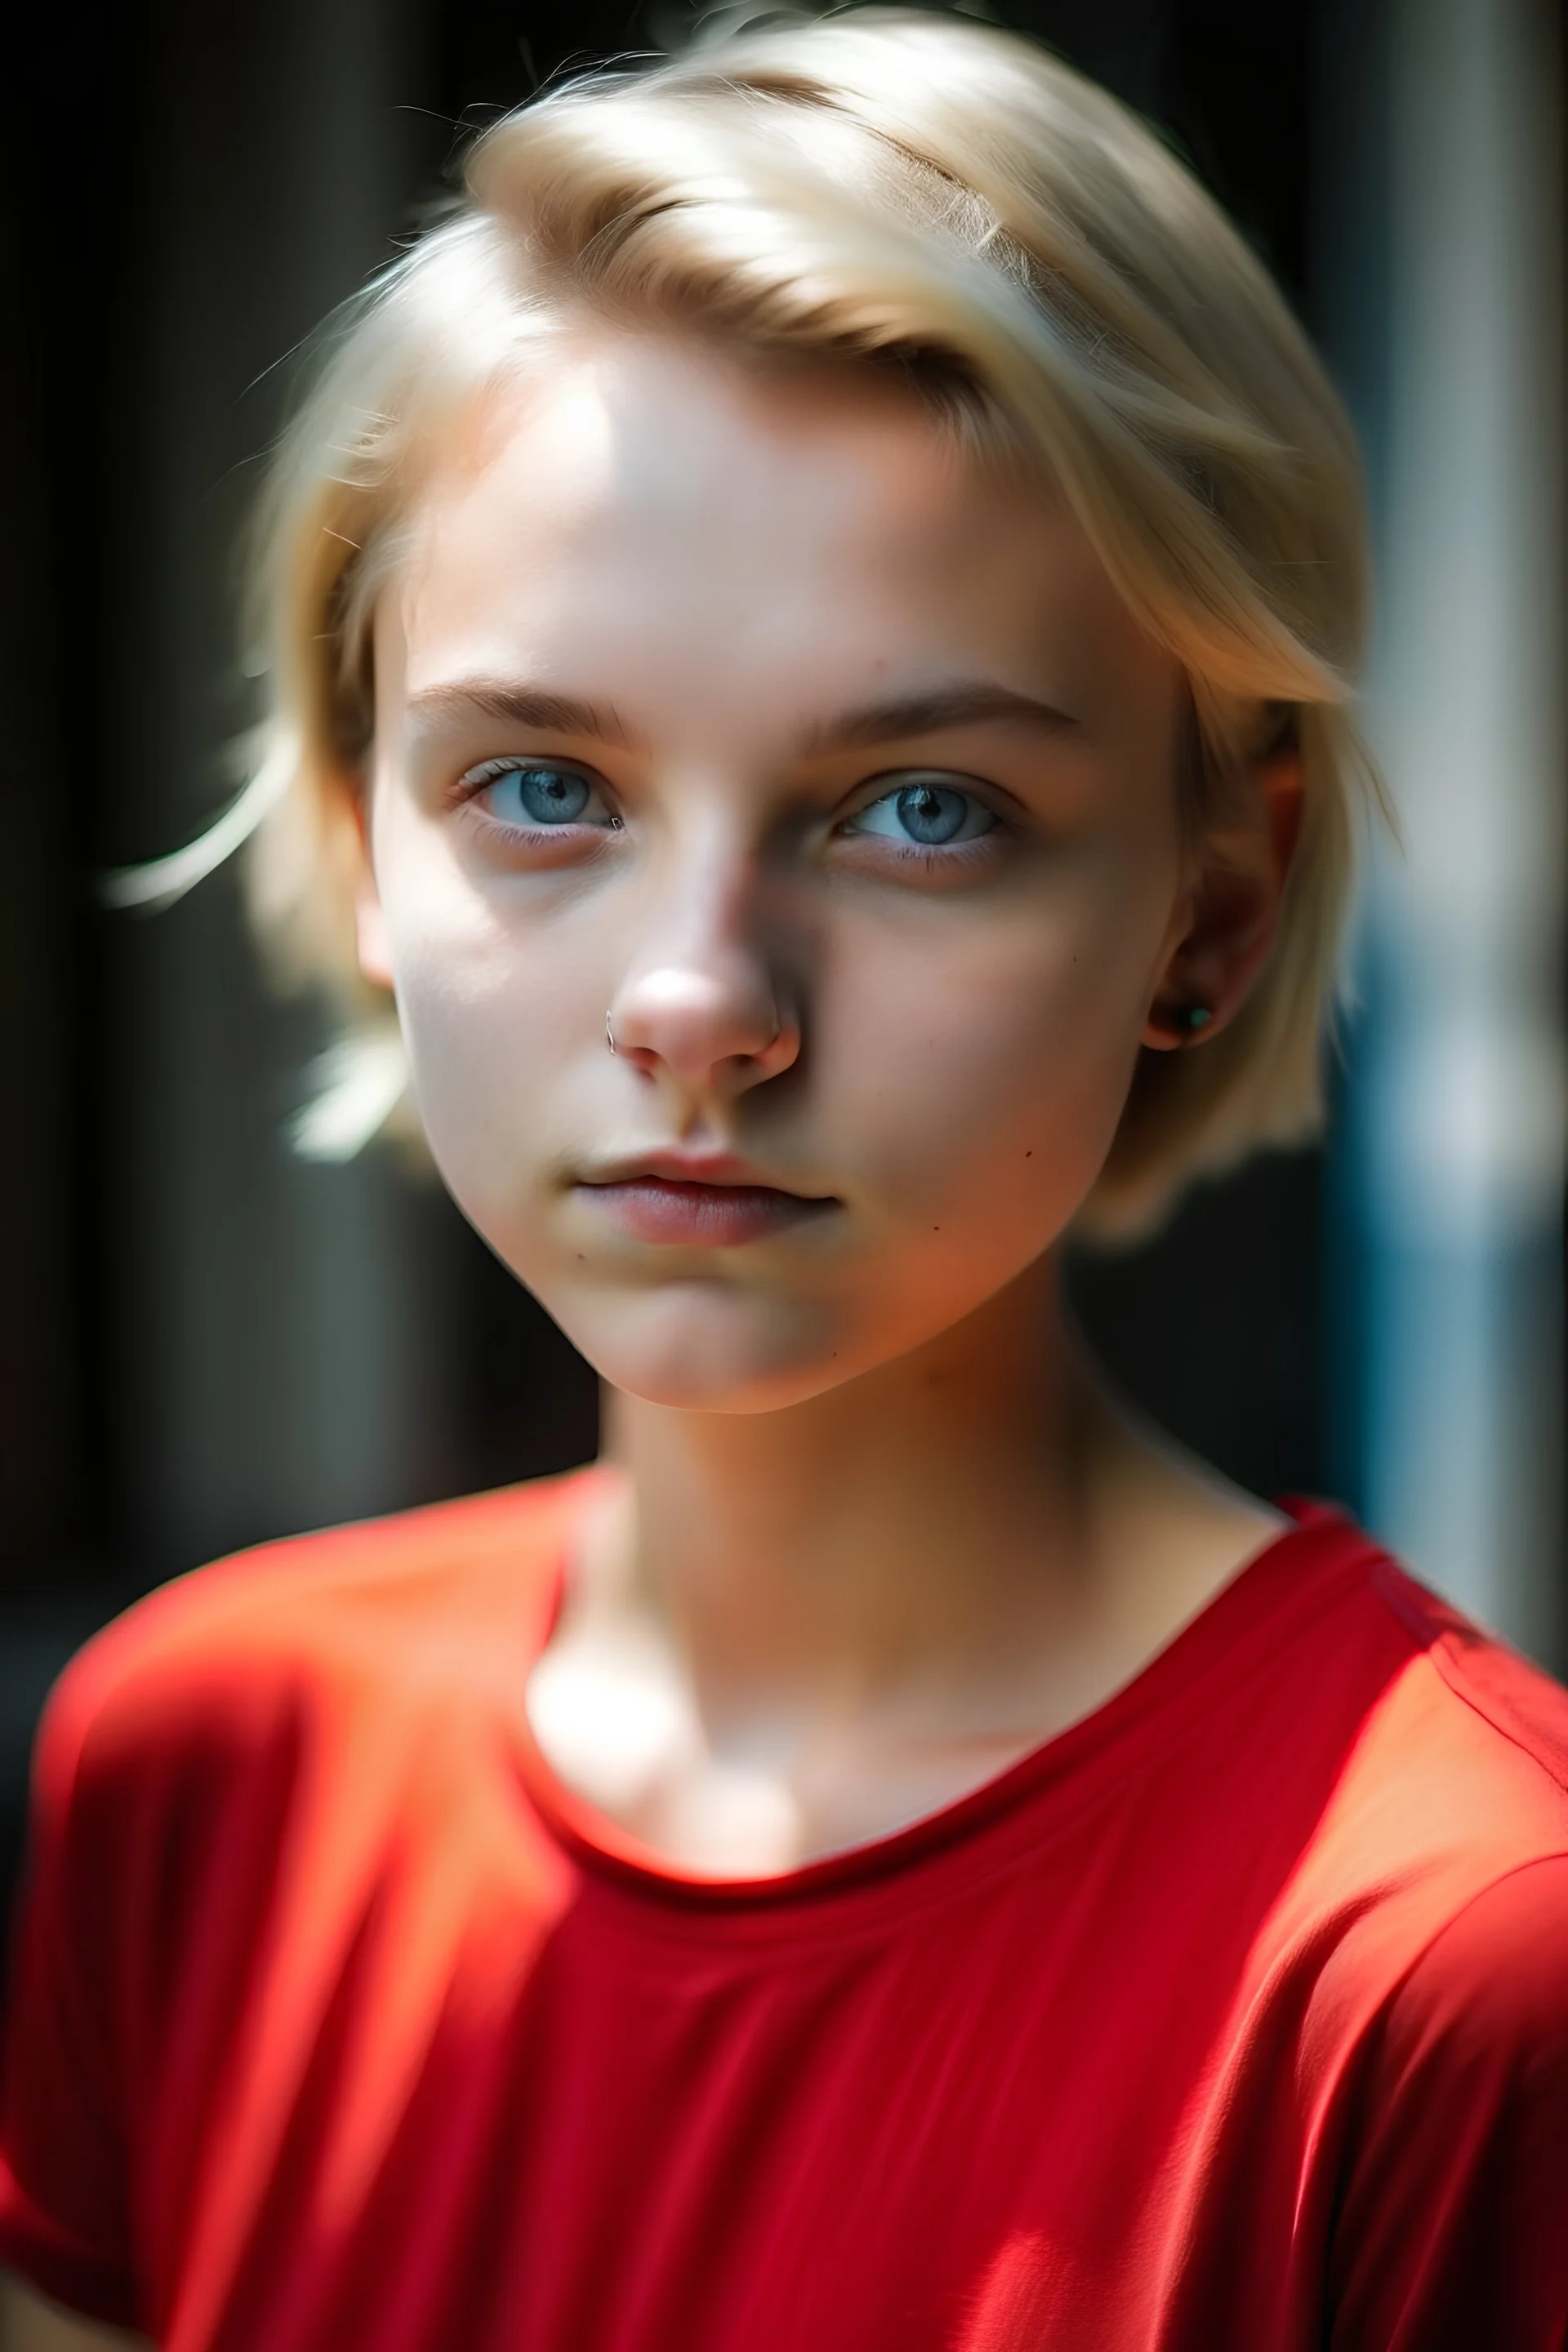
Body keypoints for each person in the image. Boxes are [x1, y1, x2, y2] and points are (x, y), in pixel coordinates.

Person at [3, 11, 1566, 2350]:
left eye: (924, 807)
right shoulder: (198, 1769)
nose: (704, 999)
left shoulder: (1453, 1959)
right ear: (354, 844)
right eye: (541, 785)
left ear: (1212, 906)